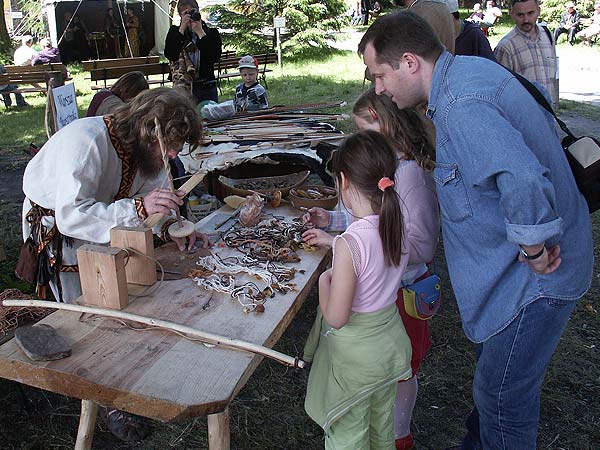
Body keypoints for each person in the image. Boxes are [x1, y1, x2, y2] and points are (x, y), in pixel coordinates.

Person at [359, 10, 593, 450]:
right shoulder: (464, 75)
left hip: (533, 284)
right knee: (496, 387)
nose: (378, 88)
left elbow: (522, 176)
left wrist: (534, 248)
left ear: (410, 63)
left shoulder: (462, 104)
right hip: (515, 282)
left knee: (503, 397)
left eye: (380, 75)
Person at [303, 88, 438, 450]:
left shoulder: (349, 244)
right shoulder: (392, 224)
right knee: (380, 429)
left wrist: (326, 280)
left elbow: (336, 318)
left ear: (343, 183)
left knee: (348, 433)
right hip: (390, 348)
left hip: (358, 360)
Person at [494, 0, 557, 107]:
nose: (526, 19)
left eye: (530, 13)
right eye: (520, 15)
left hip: (549, 112)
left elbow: (552, 75)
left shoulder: (547, 35)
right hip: (523, 114)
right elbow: (500, 90)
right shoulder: (506, 47)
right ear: (512, 15)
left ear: (538, 11)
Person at [165, 0, 222, 104]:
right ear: (180, 15)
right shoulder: (175, 32)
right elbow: (171, 54)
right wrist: (182, 29)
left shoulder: (211, 33)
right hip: (183, 86)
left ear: (198, 11)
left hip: (206, 85)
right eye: (186, 13)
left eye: (193, 12)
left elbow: (214, 57)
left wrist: (200, 32)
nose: (190, 16)